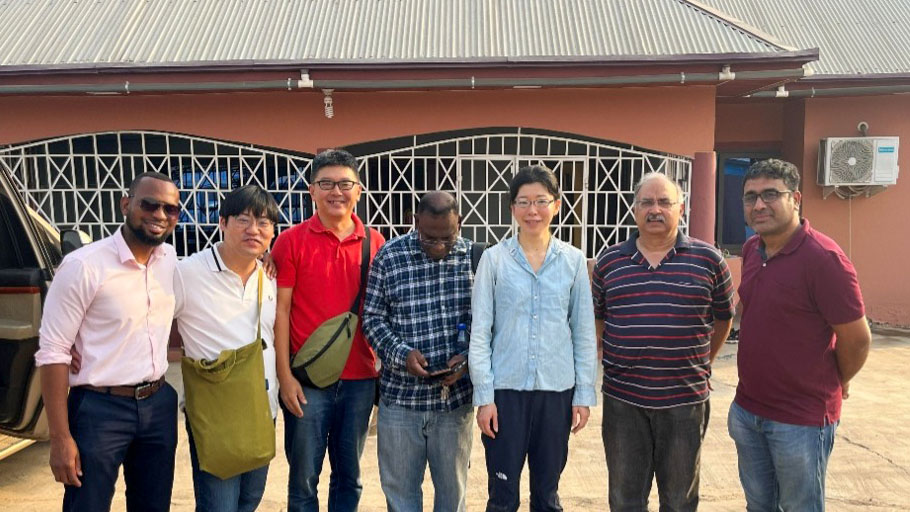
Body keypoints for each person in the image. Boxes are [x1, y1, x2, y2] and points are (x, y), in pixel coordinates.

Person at [728, 159, 871, 511]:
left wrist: (840, 379)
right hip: (748, 411)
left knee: (799, 506)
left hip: (801, 420)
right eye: (751, 197)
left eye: (770, 195)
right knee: (759, 505)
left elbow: (858, 339)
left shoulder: (823, 259)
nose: (759, 205)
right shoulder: (752, 250)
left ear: (796, 198)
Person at [35, 171, 181, 512]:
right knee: (87, 505)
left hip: (158, 403)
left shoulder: (169, 260)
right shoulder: (83, 266)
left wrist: (264, 259)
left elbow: (214, 269)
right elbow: (53, 352)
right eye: (150, 204)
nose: (160, 215)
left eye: (171, 209)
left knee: (153, 506)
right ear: (126, 204)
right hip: (99, 410)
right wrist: (59, 438)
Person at [591, 172, 734, 511]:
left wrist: (702, 363)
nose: (655, 210)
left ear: (680, 208)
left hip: (684, 401)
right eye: (647, 202)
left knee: (679, 499)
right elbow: (599, 316)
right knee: (625, 499)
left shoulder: (709, 260)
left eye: (664, 202)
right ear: (634, 209)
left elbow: (724, 319)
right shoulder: (608, 262)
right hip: (623, 401)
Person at [469, 165, 597, 512]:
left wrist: (583, 395)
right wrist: (485, 397)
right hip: (505, 393)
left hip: (556, 393)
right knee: (502, 496)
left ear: (556, 205)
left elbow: (584, 333)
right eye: (523, 202)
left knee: (547, 494)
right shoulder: (494, 261)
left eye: (541, 201)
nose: (533, 211)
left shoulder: (572, 261)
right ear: (512, 209)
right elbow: (480, 333)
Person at [271, 149, 385, 512]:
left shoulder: (376, 243)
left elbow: (385, 311)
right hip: (307, 381)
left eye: (345, 183)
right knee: (303, 478)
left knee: (349, 477)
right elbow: (281, 311)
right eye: (326, 184)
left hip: (360, 378)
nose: (336, 191)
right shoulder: (290, 241)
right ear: (312, 191)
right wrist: (284, 376)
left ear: (359, 190)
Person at [362, 191, 474, 512]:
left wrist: (467, 360)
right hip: (400, 402)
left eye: (447, 237)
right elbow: (372, 318)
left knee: (452, 498)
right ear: (415, 223)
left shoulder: (476, 258)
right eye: (429, 238)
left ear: (460, 224)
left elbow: (489, 323)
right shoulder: (390, 257)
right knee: (401, 497)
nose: (439, 246)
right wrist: (401, 354)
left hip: (453, 404)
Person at [172, 185, 279, 512]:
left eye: (263, 223)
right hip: (215, 412)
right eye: (243, 220)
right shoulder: (187, 272)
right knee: (218, 504)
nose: (253, 230)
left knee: (250, 499)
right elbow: (147, 318)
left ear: (273, 231)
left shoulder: (269, 276)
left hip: (263, 407)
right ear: (222, 222)